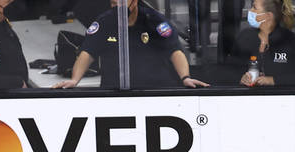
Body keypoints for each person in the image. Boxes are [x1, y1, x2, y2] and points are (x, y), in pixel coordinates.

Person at [54, 0, 209, 89]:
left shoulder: (154, 21)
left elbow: (175, 52)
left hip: (155, 90)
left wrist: (185, 77)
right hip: (115, 91)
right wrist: (75, 80)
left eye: (120, 5)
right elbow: (87, 53)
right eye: (113, 5)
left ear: (134, 2)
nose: (116, 9)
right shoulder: (104, 22)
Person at [230, 0, 295, 86]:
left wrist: (273, 80)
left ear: (268, 16)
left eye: (254, 8)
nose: (250, 11)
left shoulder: (291, 40)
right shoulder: (245, 37)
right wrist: (241, 78)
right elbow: (227, 71)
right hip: (247, 98)